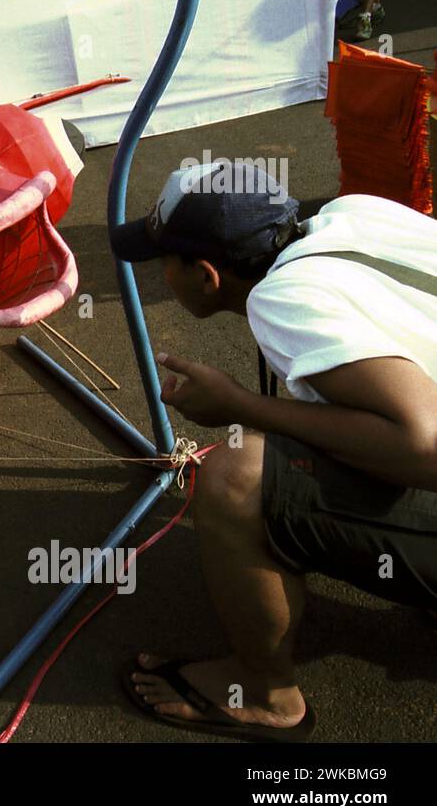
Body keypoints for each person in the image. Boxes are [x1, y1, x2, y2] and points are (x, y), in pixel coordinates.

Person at [111, 164, 437, 741]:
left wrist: (238, 405)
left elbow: (424, 445)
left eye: (165, 261)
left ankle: (263, 696)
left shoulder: (282, 299)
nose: (160, 274)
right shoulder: (355, 213)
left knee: (236, 473)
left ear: (207, 276)